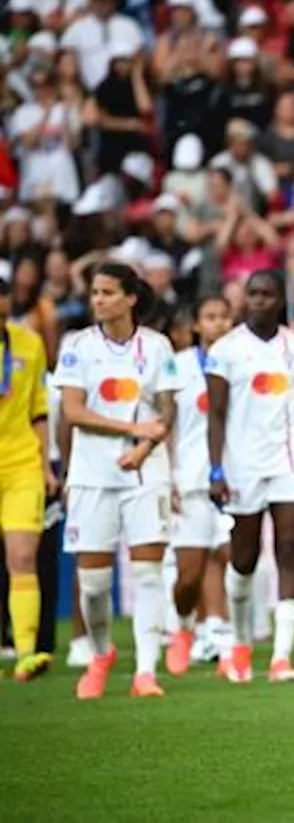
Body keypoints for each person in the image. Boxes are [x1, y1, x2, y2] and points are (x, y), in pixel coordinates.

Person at [54, 262, 179, 699]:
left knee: (148, 572)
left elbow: (167, 410)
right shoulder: (77, 346)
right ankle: (102, 653)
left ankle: (146, 671)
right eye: (95, 293)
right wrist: (132, 431)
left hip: (147, 471)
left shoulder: (159, 346)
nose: (98, 300)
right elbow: (73, 411)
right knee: (93, 583)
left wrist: (146, 446)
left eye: (108, 292)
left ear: (131, 298)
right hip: (93, 473)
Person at [206, 269, 294, 683]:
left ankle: (281, 656)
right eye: (252, 294)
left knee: (289, 548)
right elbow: (217, 415)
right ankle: (240, 644)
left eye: (267, 294)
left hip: (291, 461)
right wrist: (216, 469)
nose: (258, 300)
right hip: (242, 465)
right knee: (244, 558)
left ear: (280, 300)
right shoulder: (225, 350)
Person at [164, 295, 234, 676]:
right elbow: (166, 424)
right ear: (196, 325)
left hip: (233, 479)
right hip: (189, 477)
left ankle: (220, 637)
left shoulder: (241, 361)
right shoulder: (178, 366)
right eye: (210, 317)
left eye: (225, 317)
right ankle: (184, 628)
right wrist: (168, 477)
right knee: (189, 574)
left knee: (227, 555)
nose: (219, 324)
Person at [0, 267, 58, 681]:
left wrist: (44, 465)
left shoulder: (29, 343)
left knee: (22, 557)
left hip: (20, 464)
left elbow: (39, 409)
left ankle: (24, 653)